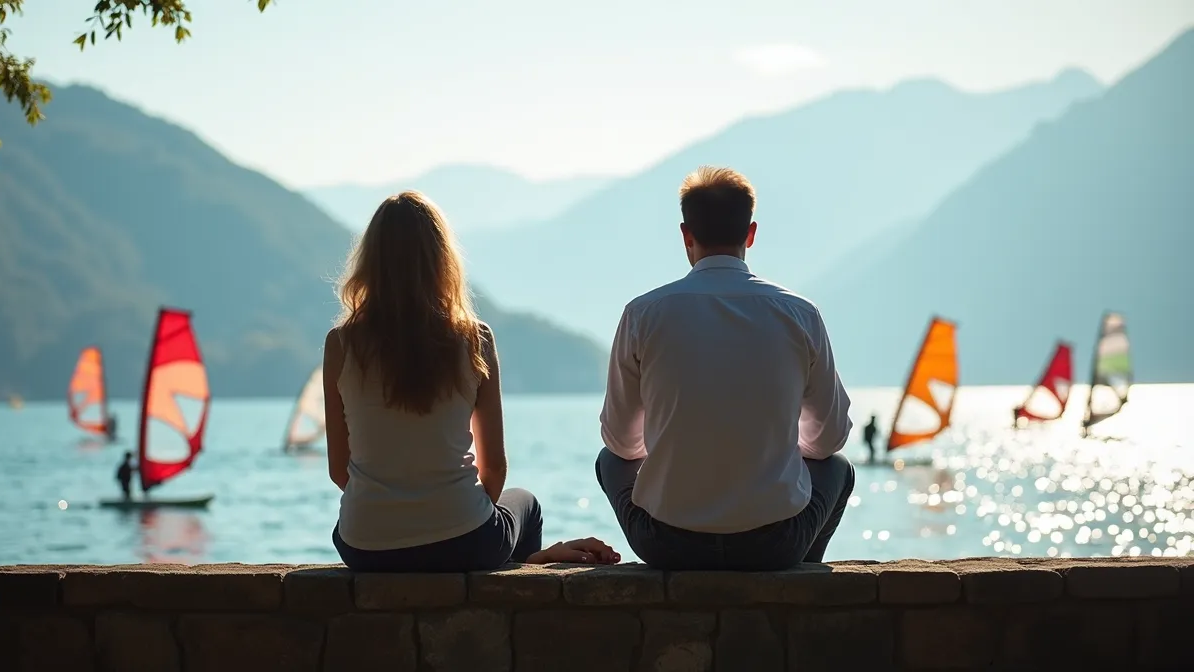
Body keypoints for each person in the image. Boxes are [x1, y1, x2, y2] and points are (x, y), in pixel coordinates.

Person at [325, 191, 619, 572]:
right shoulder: (473, 340)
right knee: (526, 504)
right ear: (442, 260)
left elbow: (339, 469)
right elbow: (494, 467)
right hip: (464, 541)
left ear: (371, 262)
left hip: (365, 546)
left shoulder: (341, 344)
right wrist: (461, 521)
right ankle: (523, 579)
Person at [596, 166, 856, 571]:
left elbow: (621, 443)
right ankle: (796, 585)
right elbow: (829, 440)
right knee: (837, 468)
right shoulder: (800, 314)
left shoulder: (642, 314)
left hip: (668, 545)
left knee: (609, 460)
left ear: (686, 235)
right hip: (774, 547)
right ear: (750, 234)